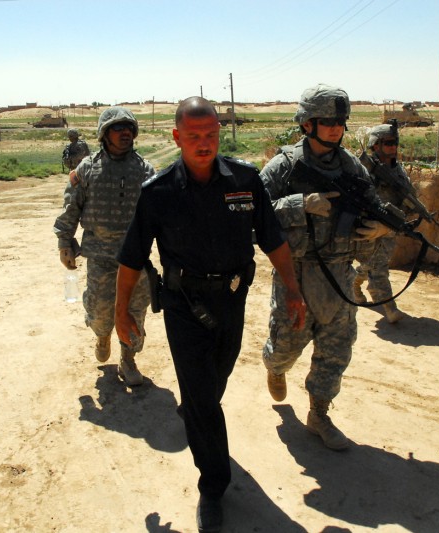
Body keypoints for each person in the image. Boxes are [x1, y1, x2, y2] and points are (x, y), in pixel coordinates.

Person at [114, 96, 305, 533]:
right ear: (177, 136)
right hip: (183, 306)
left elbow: (273, 239)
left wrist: (292, 289)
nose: (204, 144)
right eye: (194, 136)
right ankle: (213, 486)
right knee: (202, 398)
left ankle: (197, 411)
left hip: (232, 301)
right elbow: (131, 258)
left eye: (212, 135)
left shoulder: (245, 180)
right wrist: (122, 310)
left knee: (213, 384)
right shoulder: (158, 193)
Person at [260, 83, 390, 451]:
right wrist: (298, 203)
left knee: (337, 349)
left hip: (339, 275)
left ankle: (319, 413)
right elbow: (249, 215)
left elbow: (372, 206)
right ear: (307, 124)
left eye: (340, 121)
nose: (335, 127)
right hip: (295, 274)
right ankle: (275, 366)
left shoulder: (351, 166)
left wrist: (380, 228)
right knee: (286, 346)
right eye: (327, 120)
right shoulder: (282, 167)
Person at [53, 107, 154, 386]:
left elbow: (159, 215)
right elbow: (70, 208)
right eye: (117, 128)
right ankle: (102, 335)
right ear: (104, 134)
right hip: (100, 258)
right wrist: (64, 241)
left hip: (134, 260)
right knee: (99, 312)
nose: (125, 133)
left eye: (129, 128)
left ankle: (128, 359)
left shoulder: (146, 171)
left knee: (135, 313)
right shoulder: (87, 169)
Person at [353, 122, 416, 323]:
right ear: (376, 144)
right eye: (388, 143)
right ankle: (390, 307)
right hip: (369, 227)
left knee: (373, 264)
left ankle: (354, 282)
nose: (393, 147)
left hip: (389, 227)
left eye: (395, 142)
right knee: (378, 267)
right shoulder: (363, 169)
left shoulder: (399, 171)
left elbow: (408, 198)